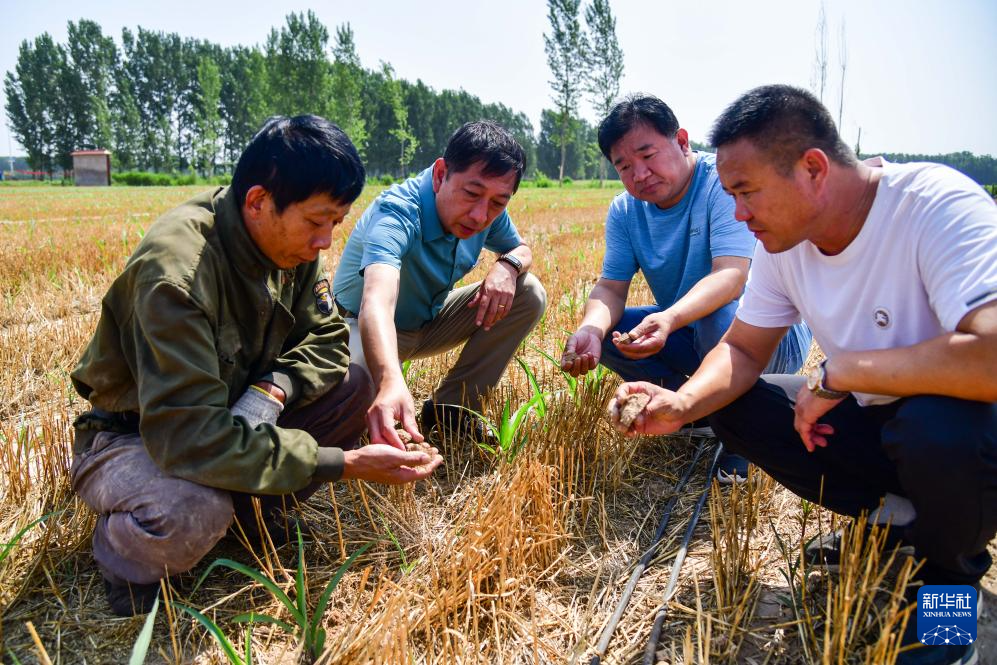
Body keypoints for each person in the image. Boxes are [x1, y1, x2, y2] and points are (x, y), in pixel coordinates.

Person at [609, 85, 996, 665]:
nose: (738, 213)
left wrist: (842, 371)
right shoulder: (783, 243)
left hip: (967, 432)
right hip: (872, 419)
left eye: (746, 192)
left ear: (813, 169)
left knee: (935, 426)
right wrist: (682, 404)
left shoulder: (933, 205)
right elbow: (741, 351)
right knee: (730, 403)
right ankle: (895, 525)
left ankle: (947, 587)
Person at [70, 115, 443, 617]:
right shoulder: (177, 277)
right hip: (136, 436)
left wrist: (275, 387)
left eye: (336, 222)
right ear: (259, 202)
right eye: (317, 221)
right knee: (193, 512)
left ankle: (252, 515)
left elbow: (330, 338)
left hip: (231, 411)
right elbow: (187, 438)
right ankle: (126, 555)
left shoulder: (289, 244)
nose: (327, 241)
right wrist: (344, 464)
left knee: (354, 386)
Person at [561, 94, 811, 483]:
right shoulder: (625, 211)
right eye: (624, 166)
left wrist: (669, 317)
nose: (639, 174)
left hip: (765, 336)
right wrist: (591, 330)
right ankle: (695, 411)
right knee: (611, 332)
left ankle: (740, 434)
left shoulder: (721, 183)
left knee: (715, 314)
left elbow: (731, 277)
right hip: (693, 328)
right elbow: (610, 288)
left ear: (681, 141)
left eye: (647, 155)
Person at [332, 120, 546, 448]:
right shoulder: (398, 212)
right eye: (471, 194)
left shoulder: (488, 208)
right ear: (440, 174)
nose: (479, 215)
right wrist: (390, 379)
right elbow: (375, 302)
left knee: (528, 292)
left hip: (429, 322)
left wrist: (508, 266)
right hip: (362, 329)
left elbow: (521, 249)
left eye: (497, 203)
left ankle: (451, 409)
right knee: (354, 430)